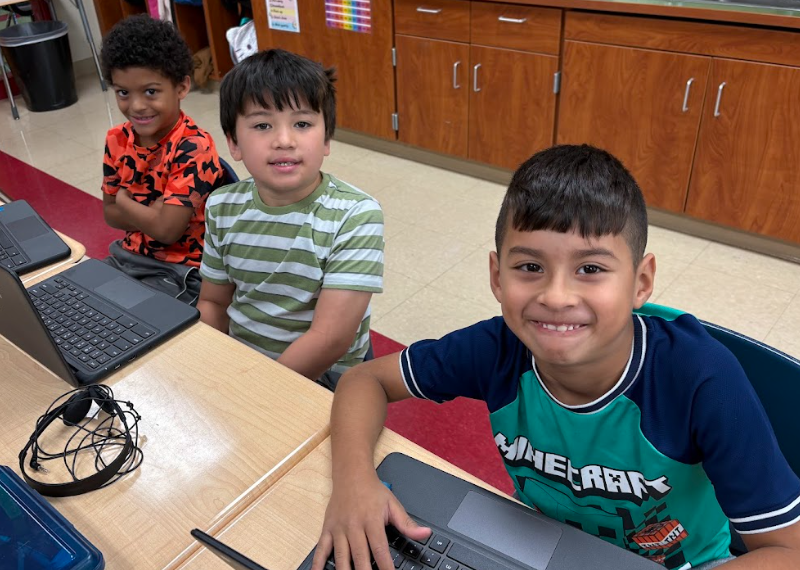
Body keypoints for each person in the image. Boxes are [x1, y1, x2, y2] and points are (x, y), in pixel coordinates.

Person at [311, 145, 800, 569]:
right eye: (530, 267)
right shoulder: (497, 348)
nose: (558, 295)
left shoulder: (700, 379)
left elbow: (787, 552)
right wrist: (354, 482)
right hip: (539, 545)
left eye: (590, 268)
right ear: (497, 277)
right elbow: (362, 382)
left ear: (641, 282)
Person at [198, 49, 384, 389]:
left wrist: (259, 388)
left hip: (324, 373)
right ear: (234, 143)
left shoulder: (356, 215)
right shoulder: (222, 206)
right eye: (262, 125)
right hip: (243, 361)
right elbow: (213, 301)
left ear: (326, 139)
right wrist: (211, 366)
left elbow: (330, 339)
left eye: (302, 124)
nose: (284, 140)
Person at [99, 15, 225, 306]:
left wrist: (126, 203)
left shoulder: (193, 146)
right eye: (123, 93)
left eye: (151, 91)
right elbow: (109, 215)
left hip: (183, 271)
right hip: (127, 256)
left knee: (132, 323)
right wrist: (150, 214)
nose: (137, 106)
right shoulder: (116, 139)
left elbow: (168, 231)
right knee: (77, 303)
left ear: (181, 88)